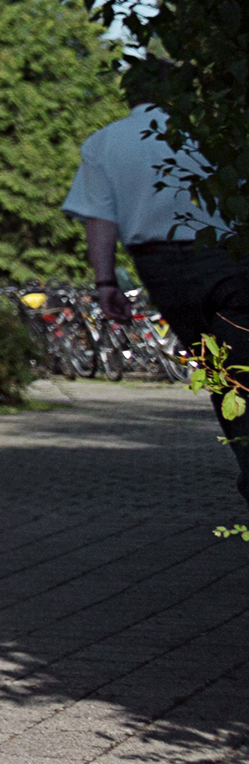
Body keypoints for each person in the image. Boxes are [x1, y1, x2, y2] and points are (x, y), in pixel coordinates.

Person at [62, 102, 246, 500]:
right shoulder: (216, 126)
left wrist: (106, 280)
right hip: (227, 255)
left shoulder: (105, 141)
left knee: (219, 373)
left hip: (162, 267)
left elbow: (100, 219)